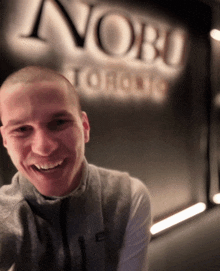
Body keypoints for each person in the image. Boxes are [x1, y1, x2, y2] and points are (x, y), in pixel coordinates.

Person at [0, 66, 151, 271]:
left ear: (85, 127)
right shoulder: (4, 213)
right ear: (5, 140)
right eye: (22, 129)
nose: (43, 148)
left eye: (59, 122)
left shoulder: (129, 196)